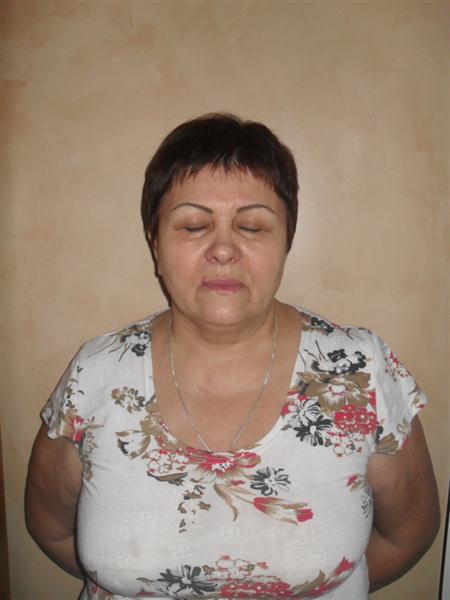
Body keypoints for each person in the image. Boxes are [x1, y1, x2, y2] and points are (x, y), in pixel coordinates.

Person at [26, 114, 440, 599]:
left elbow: (407, 534)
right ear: (155, 242)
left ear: (286, 240)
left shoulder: (359, 372)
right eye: (194, 225)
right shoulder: (96, 375)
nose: (223, 250)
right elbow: (51, 529)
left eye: (251, 226)